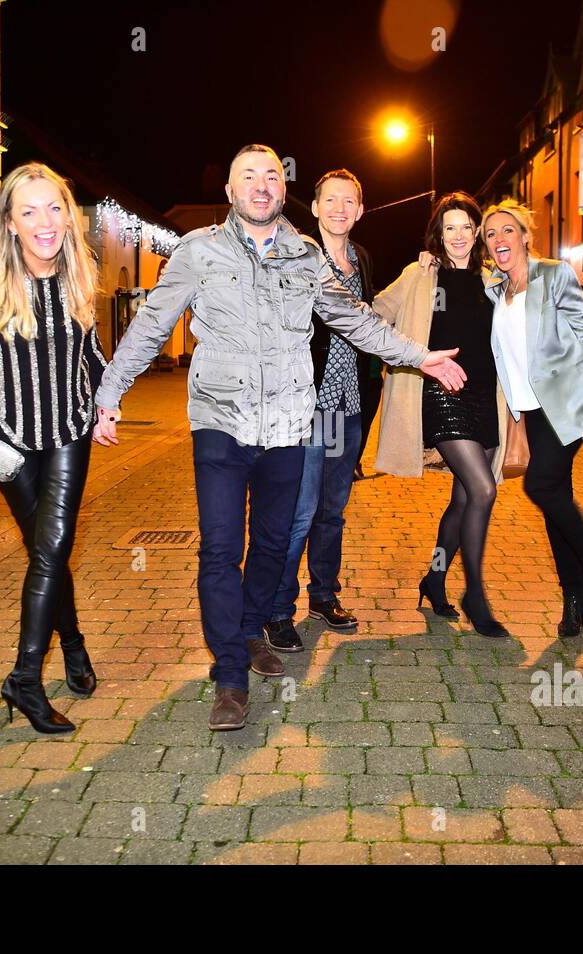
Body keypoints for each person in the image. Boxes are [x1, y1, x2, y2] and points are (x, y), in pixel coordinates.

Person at [91, 145, 467, 731]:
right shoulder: (199, 250)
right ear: (231, 191)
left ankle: (246, 632)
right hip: (220, 419)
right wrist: (111, 391)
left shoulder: (305, 256)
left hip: (290, 423)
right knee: (220, 548)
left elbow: (357, 321)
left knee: (271, 545)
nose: (261, 186)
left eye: (271, 176)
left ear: (281, 188)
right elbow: (152, 323)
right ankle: (231, 676)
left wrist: (422, 359)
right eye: (249, 177)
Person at [0, 162, 106, 735]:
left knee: (52, 546)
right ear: (9, 222)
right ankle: (75, 645)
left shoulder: (78, 270)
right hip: (10, 441)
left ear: (68, 212)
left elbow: (89, 349)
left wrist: (105, 401)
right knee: (49, 551)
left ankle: (24, 678)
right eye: (29, 211)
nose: (45, 222)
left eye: (54, 207)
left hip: (69, 430)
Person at [480, 199, 583, 637]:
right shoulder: (495, 289)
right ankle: (574, 597)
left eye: (507, 231)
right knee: (554, 502)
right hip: (528, 409)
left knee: (541, 485)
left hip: (565, 404)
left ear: (526, 236)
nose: (499, 240)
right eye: (491, 235)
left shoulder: (554, 275)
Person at [374, 192, 511, 638]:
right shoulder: (419, 274)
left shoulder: (493, 280)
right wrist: (410, 353)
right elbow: (375, 313)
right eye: (449, 227)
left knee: (463, 499)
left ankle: (434, 577)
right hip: (441, 392)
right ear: (439, 233)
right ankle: (475, 593)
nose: (458, 235)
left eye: (466, 227)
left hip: (485, 397)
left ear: (477, 234)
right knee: (483, 488)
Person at [262, 169, 376, 653]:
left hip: (348, 407)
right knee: (301, 511)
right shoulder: (298, 255)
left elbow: (373, 321)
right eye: (331, 200)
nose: (339, 208)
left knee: (334, 509)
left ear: (360, 209)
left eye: (349, 201)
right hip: (310, 406)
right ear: (314, 206)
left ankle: (323, 596)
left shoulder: (362, 259)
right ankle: (276, 610)